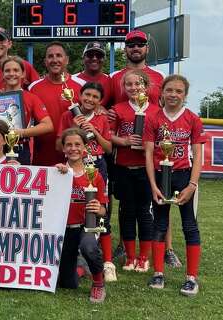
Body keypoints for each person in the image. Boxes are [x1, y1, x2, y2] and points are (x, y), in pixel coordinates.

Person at [144, 75, 205, 296]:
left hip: (184, 177)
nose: (173, 95)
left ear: (185, 95)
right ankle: (158, 273)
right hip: (162, 177)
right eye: (169, 90)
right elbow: (149, 153)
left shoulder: (193, 119)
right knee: (159, 224)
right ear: (162, 92)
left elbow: (198, 155)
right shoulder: (153, 118)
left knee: (190, 225)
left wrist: (192, 185)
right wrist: (153, 184)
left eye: (179, 91)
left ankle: (191, 278)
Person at [110, 70, 158, 273]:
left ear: (146, 86)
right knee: (127, 211)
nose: (134, 88)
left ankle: (144, 257)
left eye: (138, 84)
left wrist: (149, 145)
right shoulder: (118, 109)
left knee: (144, 213)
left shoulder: (156, 110)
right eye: (129, 84)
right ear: (123, 88)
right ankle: (130, 257)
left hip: (146, 169)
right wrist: (124, 141)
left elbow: (162, 136)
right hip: (124, 166)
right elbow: (108, 134)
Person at [55, 128, 108, 303]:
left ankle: (98, 283)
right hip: (64, 229)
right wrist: (55, 174)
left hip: (86, 226)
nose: (73, 148)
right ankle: (81, 268)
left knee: (88, 247)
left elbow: (103, 210)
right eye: (68, 145)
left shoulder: (95, 175)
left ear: (85, 147)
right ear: (63, 149)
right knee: (67, 283)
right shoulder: (56, 172)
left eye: (77, 144)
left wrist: (96, 207)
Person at [29, 42, 84, 166]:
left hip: (74, 156)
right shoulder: (34, 87)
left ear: (67, 60)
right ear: (45, 61)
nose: (54, 60)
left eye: (59, 55)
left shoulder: (81, 85)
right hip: (42, 157)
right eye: (50, 56)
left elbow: (92, 111)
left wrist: (100, 107)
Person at [0, 56, 53, 164]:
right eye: (7, 71)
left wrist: (22, 133)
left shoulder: (31, 97)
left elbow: (48, 125)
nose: (11, 73)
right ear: (3, 74)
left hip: (21, 148)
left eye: (16, 70)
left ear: (23, 74)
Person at [57, 82, 112, 182]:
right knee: (74, 195)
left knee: (97, 195)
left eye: (95, 97)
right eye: (87, 94)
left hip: (97, 162)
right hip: (75, 161)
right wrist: (74, 128)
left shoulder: (102, 118)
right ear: (80, 95)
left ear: (100, 101)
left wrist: (95, 132)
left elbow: (108, 149)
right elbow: (58, 147)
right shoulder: (67, 116)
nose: (90, 99)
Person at [111, 30, 164, 105]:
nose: (136, 48)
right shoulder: (113, 77)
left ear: (147, 49)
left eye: (140, 45)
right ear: (125, 50)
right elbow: (102, 105)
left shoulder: (160, 76)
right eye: (131, 45)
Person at [72, 42, 112, 109]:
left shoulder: (110, 80)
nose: (94, 58)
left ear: (104, 59)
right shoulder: (72, 79)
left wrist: (106, 111)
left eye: (99, 55)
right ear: (83, 58)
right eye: (90, 55)